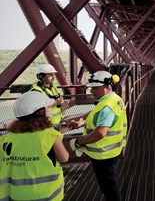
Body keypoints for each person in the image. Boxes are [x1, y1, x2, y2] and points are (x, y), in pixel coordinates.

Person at [69, 70, 127, 201]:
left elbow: (100, 133)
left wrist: (79, 141)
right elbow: (98, 114)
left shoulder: (107, 106)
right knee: (109, 183)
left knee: (109, 187)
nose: (91, 92)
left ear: (106, 88)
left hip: (103, 153)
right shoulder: (114, 99)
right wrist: (83, 121)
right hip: (111, 150)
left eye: (95, 88)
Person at [0, 91, 69, 200]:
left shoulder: (6, 138)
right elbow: (64, 158)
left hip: (17, 194)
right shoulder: (50, 135)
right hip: (48, 194)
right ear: (41, 112)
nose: (50, 108)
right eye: (48, 107)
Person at [31, 63, 64, 130]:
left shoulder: (53, 87)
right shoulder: (36, 91)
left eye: (53, 74)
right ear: (41, 76)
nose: (53, 76)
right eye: (50, 74)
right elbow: (38, 110)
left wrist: (62, 114)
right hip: (47, 124)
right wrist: (55, 103)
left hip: (57, 121)